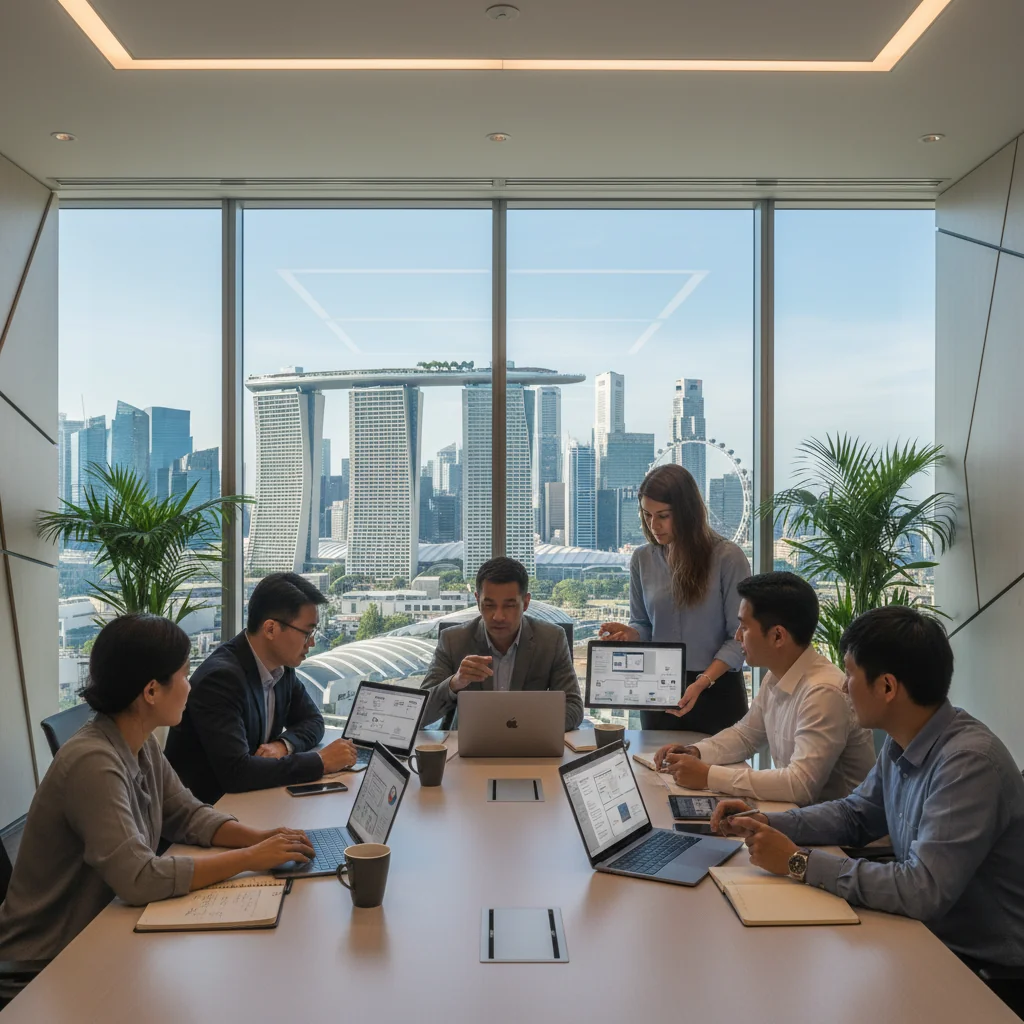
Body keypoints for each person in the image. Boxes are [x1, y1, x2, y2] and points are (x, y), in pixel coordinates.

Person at [0, 615, 314, 996]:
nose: (190, 685)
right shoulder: (92, 762)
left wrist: (262, 838)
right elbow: (140, 878)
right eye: (184, 675)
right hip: (46, 964)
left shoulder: (139, 740)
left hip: (100, 932)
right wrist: (250, 857)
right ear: (151, 691)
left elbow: (186, 814)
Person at [710, 606, 1024, 968]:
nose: (844, 686)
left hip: (988, 971)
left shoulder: (968, 764)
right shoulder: (903, 738)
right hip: (926, 938)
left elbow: (922, 890)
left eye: (850, 674)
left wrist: (797, 862)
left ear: (887, 686)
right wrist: (766, 821)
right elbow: (855, 814)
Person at [653, 572, 875, 803]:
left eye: (744, 627)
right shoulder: (776, 674)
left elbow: (800, 785)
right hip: (800, 817)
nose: (738, 636)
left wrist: (709, 776)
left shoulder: (823, 692)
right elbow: (746, 736)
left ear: (778, 636)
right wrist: (696, 752)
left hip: (840, 836)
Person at [166, 572, 357, 803]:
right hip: (209, 812)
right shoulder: (220, 680)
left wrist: (283, 746)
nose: (312, 642)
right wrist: (321, 762)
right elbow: (237, 773)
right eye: (307, 632)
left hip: (254, 801)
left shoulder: (281, 667)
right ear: (270, 629)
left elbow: (314, 721)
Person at [598, 464, 750, 734]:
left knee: (722, 774)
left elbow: (739, 638)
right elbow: (644, 624)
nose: (653, 525)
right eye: (647, 515)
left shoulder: (727, 557)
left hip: (717, 689)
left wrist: (703, 681)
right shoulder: (642, 559)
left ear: (687, 512)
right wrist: (631, 634)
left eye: (663, 516)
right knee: (654, 771)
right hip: (658, 691)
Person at [420, 557, 584, 731]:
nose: (498, 616)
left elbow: (573, 708)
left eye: (509, 606)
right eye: (489, 605)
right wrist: (454, 683)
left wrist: (525, 728)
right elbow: (418, 713)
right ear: (477, 600)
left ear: (526, 603)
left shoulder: (551, 639)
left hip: (530, 747)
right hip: (467, 750)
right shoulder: (453, 640)